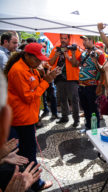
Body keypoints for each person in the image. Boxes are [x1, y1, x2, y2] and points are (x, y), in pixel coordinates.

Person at [5, 43, 57, 191]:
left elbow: (33, 88)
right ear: (27, 56)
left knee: (25, 153)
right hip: (22, 119)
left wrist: (45, 77)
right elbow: (29, 97)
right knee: (28, 154)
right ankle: (35, 183)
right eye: (37, 59)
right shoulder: (18, 71)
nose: (40, 62)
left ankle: (27, 183)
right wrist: (46, 81)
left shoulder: (29, 68)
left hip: (26, 117)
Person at [49, 34, 82, 127]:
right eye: (61, 38)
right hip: (59, 78)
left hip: (72, 78)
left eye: (65, 38)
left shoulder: (74, 48)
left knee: (74, 99)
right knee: (62, 99)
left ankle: (76, 119)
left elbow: (76, 64)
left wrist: (70, 54)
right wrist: (56, 55)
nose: (63, 40)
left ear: (69, 39)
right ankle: (64, 116)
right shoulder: (56, 48)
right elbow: (50, 62)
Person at [78, 35, 105, 130]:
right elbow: (76, 64)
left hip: (92, 86)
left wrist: (100, 86)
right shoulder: (83, 53)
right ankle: (88, 127)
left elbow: (103, 71)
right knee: (86, 109)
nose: (84, 42)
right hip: (81, 86)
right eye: (83, 41)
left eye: (85, 40)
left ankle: (94, 130)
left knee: (93, 110)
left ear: (91, 40)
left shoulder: (99, 53)